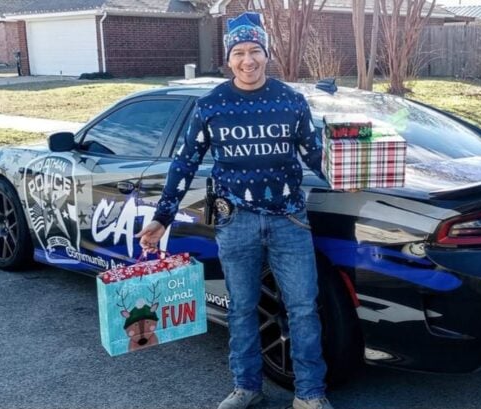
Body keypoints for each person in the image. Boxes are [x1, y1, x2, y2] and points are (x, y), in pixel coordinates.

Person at [135, 11, 334, 409]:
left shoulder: (290, 102)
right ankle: (247, 386)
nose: (248, 60)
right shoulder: (212, 106)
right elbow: (184, 163)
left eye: (255, 51)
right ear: (228, 59)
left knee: (303, 308)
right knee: (242, 309)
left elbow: (316, 156)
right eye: (239, 52)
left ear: (266, 54)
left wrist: (355, 170)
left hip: (289, 220)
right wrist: (162, 217)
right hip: (235, 222)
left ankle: (310, 395)